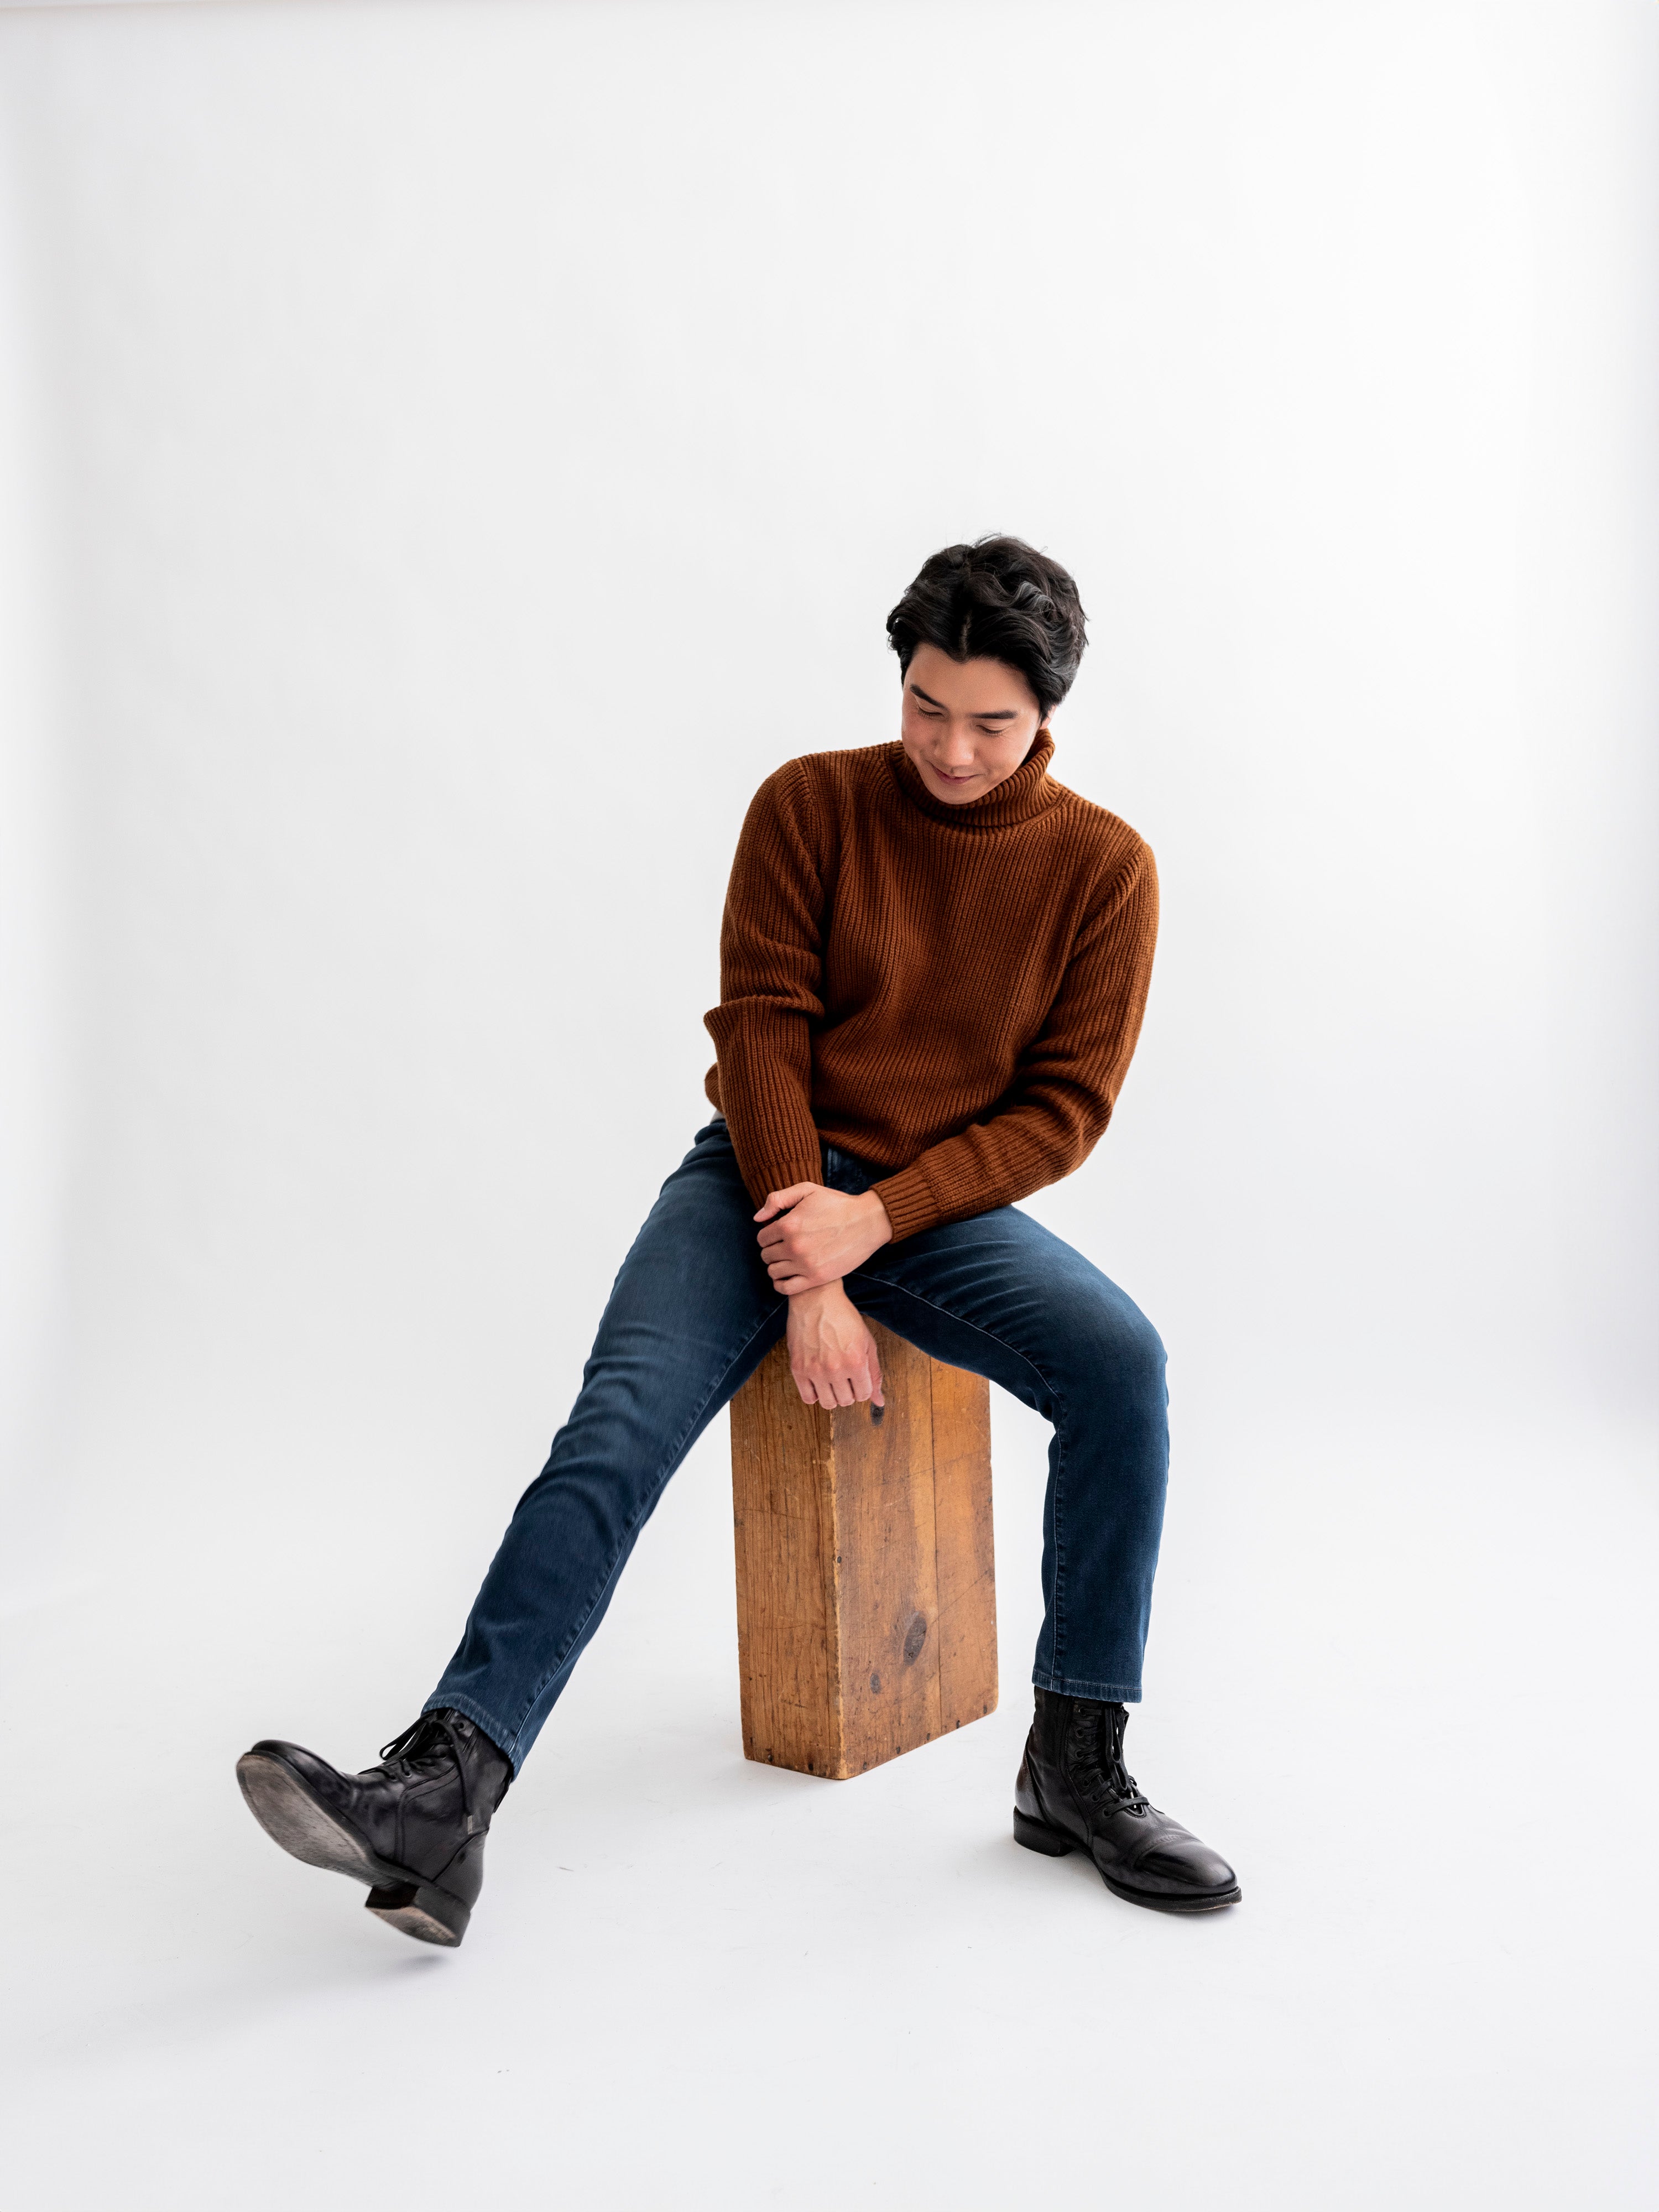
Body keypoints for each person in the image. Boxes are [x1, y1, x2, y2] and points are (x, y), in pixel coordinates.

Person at [237, 536, 1240, 1945]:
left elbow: (1064, 1110)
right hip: (754, 1181)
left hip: (931, 1202)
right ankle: (442, 1785)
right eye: (926, 706)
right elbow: (761, 1027)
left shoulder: (1103, 868)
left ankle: (1074, 1762)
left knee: (1123, 1365)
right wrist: (808, 1250)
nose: (952, 747)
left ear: (1049, 713)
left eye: (990, 724)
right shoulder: (810, 805)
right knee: (618, 1425)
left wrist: (877, 1220)